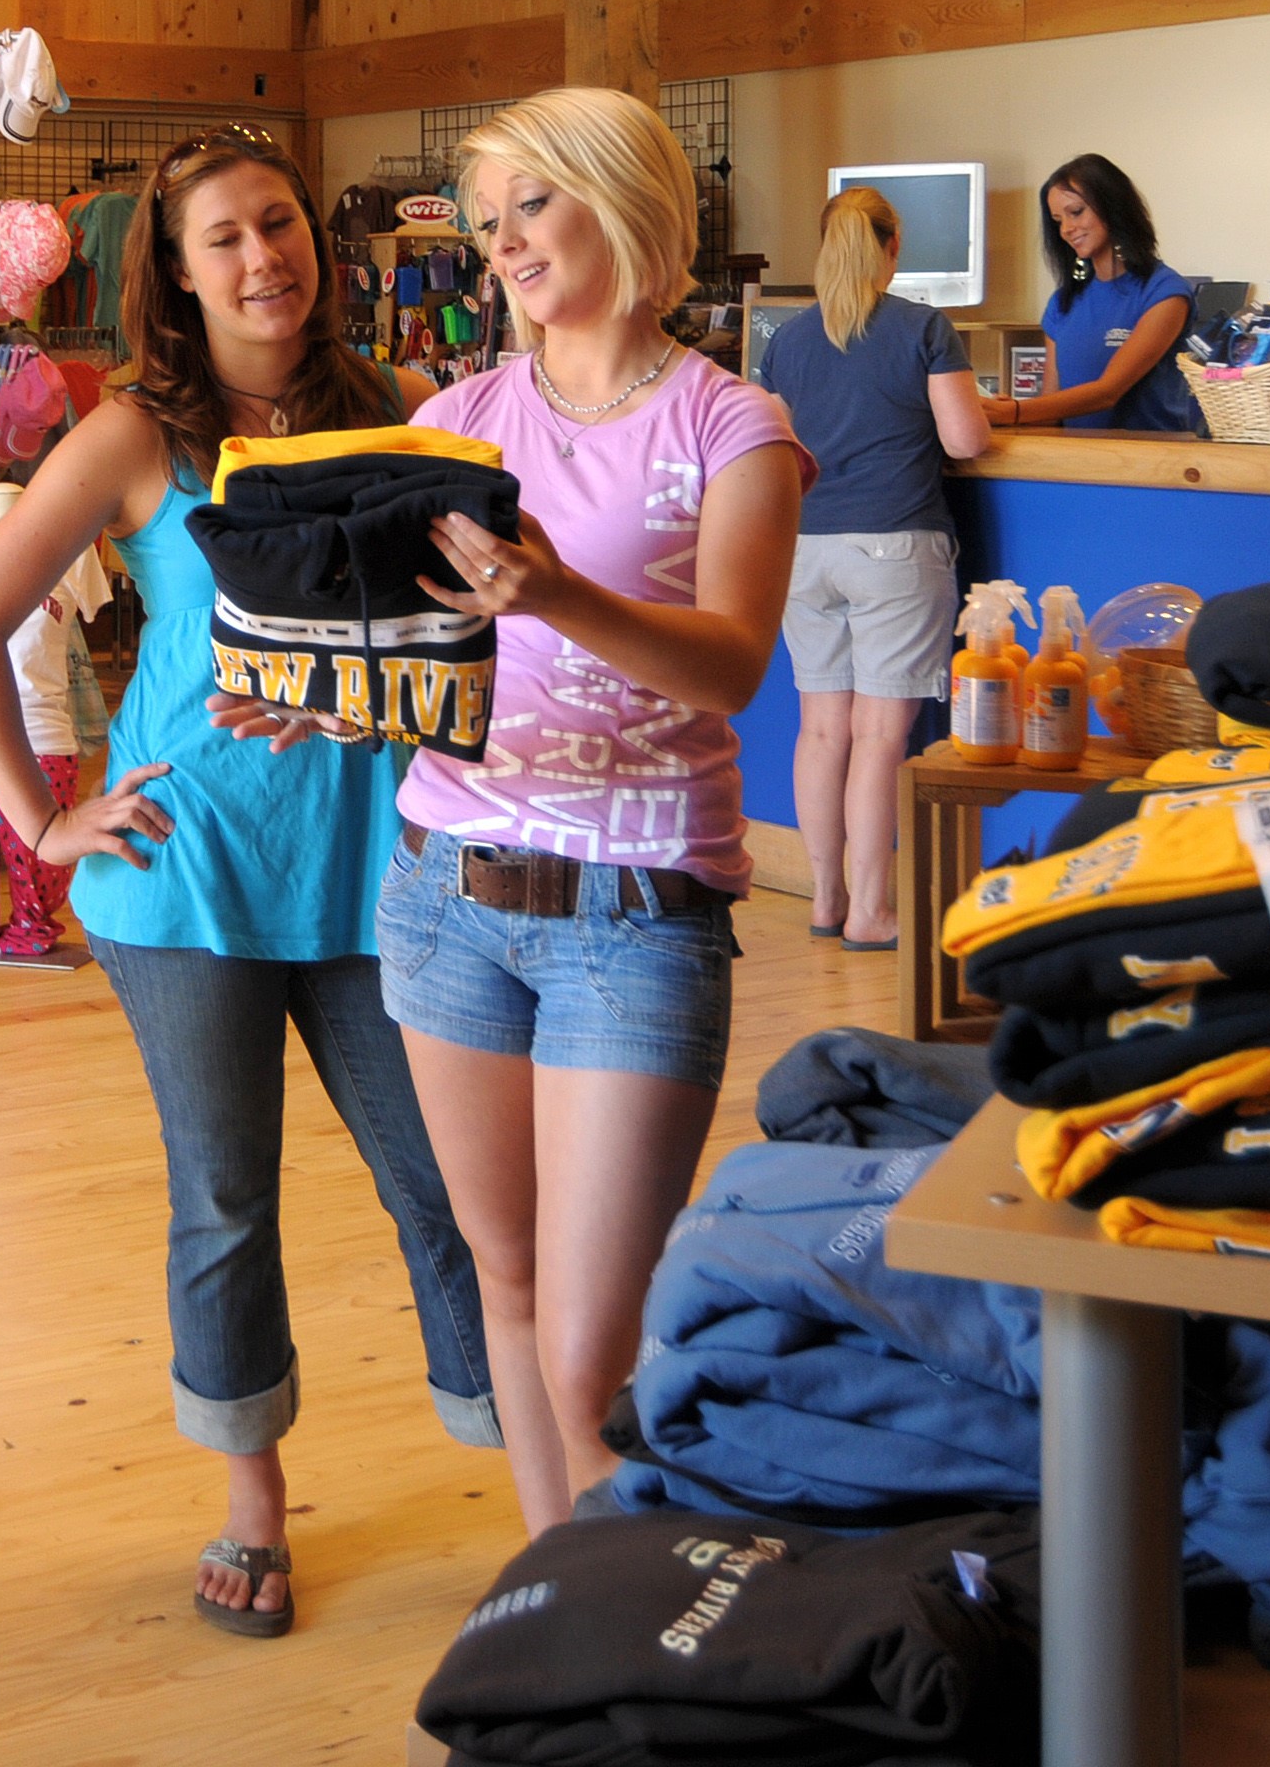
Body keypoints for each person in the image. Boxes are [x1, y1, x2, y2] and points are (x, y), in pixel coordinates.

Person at [0, 125, 497, 1642]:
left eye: (281, 223)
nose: (266, 257)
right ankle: (253, 1504)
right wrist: (44, 825)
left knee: (446, 1189)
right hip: (191, 882)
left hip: (387, 873)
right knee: (226, 1200)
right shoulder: (135, 438)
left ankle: (537, 1486)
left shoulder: (400, 412)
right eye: (227, 239)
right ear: (176, 278)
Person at [378, 86, 812, 1535]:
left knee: (589, 1352)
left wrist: (561, 591)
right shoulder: (456, 417)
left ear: (619, 198)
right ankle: (558, 1601)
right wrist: (323, 696)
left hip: (634, 920)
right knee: (503, 1287)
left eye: (531, 207)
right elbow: (428, 663)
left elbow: (736, 665)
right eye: (487, 220)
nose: (503, 243)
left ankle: (637, 1640)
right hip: (446, 888)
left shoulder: (731, 424)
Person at [759, 185, 991, 949]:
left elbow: (779, 457)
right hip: (895, 546)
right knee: (880, 737)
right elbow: (964, 441)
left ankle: (825, 901)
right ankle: (872, 911)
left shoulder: (785, 343)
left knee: (821, 731)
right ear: (893, 249)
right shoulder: (924, 327)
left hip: (803, 548)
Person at [1001, 152, 1204, 433]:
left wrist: (1014, 411)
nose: (1067, 230)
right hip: (1079, 462)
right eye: (1058, 221)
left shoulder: (1165, 293)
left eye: (1076, 212)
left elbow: (1108, 392)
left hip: (1153, 464)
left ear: (1112, 206)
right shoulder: (1063, 303)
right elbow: (1052, 407)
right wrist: (997, 410)